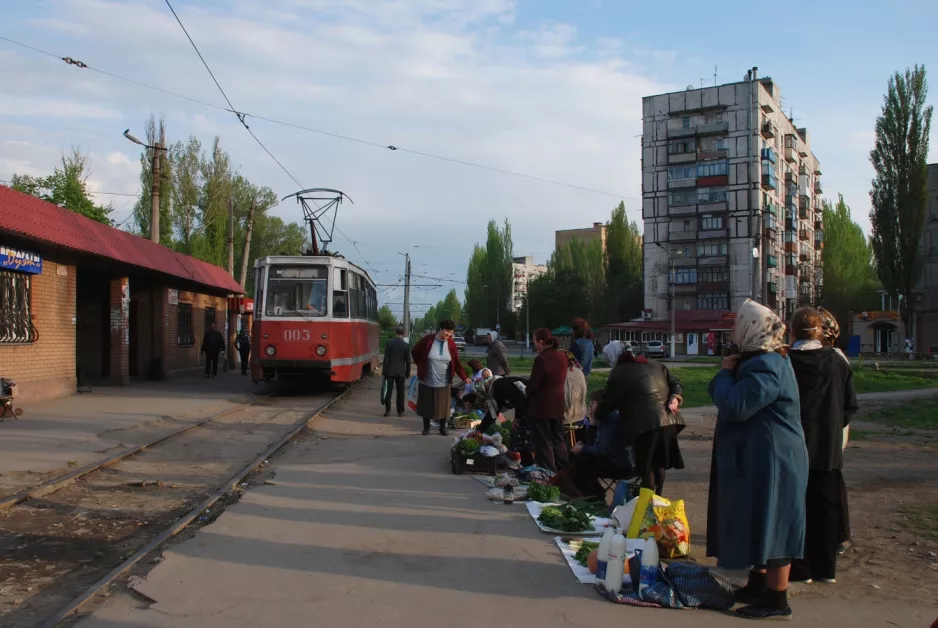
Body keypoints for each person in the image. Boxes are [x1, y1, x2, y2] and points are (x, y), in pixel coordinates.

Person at [707, 298, 808, 621]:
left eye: (739, 324)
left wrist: (724, 375)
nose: (734, 330)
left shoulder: (767, 365)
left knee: (775, 521)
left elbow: (736, 406)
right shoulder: (762, 361)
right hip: (762, 454)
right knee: (759, 517)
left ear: (752, 329)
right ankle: (757, 584)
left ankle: (777, 599)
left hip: (775, 458)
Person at [788, 307, 858, 585]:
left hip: (794, 446)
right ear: (821, 331)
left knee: (797, 507)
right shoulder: (837, 361)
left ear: (792, 331)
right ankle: (826, 568)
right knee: (826, 507)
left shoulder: (786, 361)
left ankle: (800, 568)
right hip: (828, 447)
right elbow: (850, 405)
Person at [595, 346, 684, 495]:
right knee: (659, 463)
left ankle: (646, 505)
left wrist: (596, 416)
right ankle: (658, 499)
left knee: (646, 466)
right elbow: (676, 382)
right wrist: (675, 397)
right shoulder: (656, 365)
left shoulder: (619, 372)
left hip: (644, 424)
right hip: (668, 419)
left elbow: (608, 400)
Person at [817, 307, 853, 556]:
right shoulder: (829, 356)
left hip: (833, 426)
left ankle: (841, 535)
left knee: (832, 479)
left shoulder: (835, 358)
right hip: (829, 426)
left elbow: (847, 401)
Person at [560, 389, 632, 499]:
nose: (590, 406)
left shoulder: (610, 420)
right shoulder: (603, 419)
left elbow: (603, 449)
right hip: (609, 459)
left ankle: (594, 496)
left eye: (592, 403)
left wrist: (583, 449)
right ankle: (586, 493)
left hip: (619, 464)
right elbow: (593, 443)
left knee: (582, 463)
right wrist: (592, 425)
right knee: (578, 458)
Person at [411, 320, 470, 435]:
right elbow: (415, 351)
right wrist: (421, 364)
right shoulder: (428, 340)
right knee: (426, 405)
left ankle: (442, 428)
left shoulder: (451, 343)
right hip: (427, 379)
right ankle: (426, 428)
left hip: (444, 380)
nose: (449, 334)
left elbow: (456, 362)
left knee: (443, 406)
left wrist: (464, 377)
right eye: (447, 331)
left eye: (451, 332)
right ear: (441, 329)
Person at [526, 328, 570, 472]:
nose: (534, 344)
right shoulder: (562, 356)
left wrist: (525, 389)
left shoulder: (541, 360)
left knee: (544, 442)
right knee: (558, 439)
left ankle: (549, 473)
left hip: (541, 407)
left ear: (541, 342)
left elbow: (533, 385)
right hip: (558, 404)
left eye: (534, 341)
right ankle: (564, 471)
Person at [382, 327, 412, 418]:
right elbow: (408, 360)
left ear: (396, 333)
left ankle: (388, 411)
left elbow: (386, 358)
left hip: (389, 371)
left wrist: (384, 371)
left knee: (388, 391)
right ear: (403, 333)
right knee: (400, 392)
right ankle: (400, 411)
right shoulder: (406, 345)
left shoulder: (389, 343)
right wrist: (407, 372)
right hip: (401, 372)